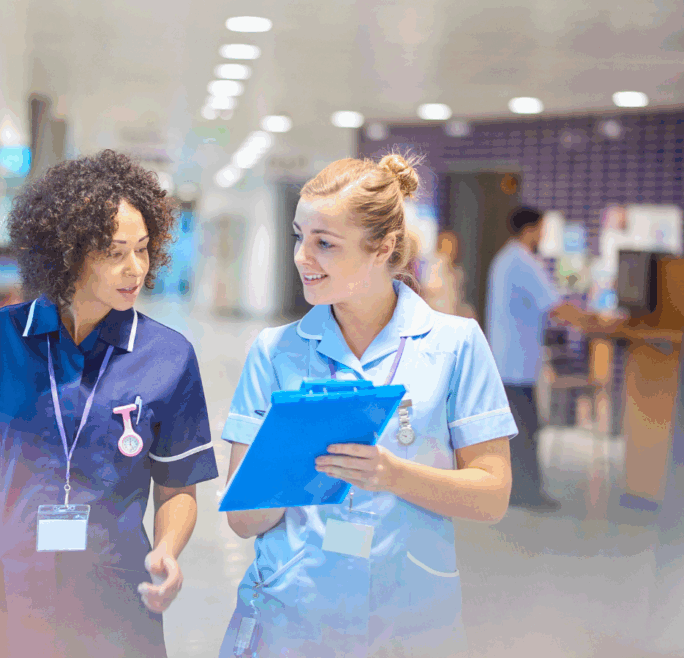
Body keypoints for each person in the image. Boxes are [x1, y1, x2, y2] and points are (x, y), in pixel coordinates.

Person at [0, 150, 219, 658]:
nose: (135, 269)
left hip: (118, 610)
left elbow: (177, 485)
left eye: (142, 249)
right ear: (68, 252)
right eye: (115, 252)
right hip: (7, 604)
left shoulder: (168, 356)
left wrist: (167, 549)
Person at [219, 154, 517, 658]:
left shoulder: (456, 345)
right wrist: (288, 460)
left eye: (325, 244)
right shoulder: (274, 352)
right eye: (298, 237)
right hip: (292, 615)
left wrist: (392, 474)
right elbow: (243, 520)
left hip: (409, 619)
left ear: (382, 247)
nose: (302, 257)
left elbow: (491, 496)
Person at [485, 207, 615, 511]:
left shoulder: (505, 259)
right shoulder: (523, 262)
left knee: (519, 431)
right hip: (516, 364)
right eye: (542, 229)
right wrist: (594, 323)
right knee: (526, 431)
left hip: (506, 360)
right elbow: (556, 306)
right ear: (530, 229)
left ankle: (518, 493)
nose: (544, 235)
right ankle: (526, 495)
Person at [422, 230, 475, 319]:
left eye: (453, 246)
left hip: (453, 315)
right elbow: (430, 290)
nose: (451, 249)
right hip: (439, 315)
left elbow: (459, 299)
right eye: (447, 245)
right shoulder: (435, 265)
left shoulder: (458, 270)